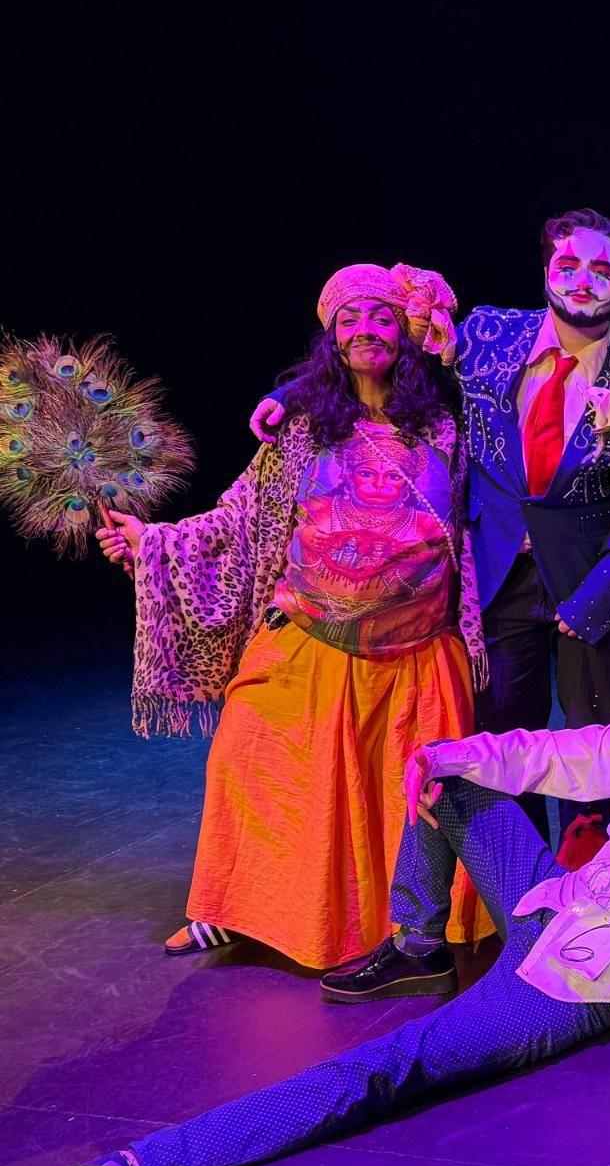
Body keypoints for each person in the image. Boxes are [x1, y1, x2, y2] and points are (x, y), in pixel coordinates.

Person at [3, 616, 610, 1166]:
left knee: (377, 1069)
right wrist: (443, 753)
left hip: (565, 990)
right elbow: (557, 752)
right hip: (549, 904)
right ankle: (417, 942)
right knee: (448, 779)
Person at [307, 210, 610, 999]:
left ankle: (595, 925)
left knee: (595, 752)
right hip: (496, 581)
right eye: (570, 264)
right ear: (547, 269)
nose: (584, 279)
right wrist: (285, 398)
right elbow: (368, 342)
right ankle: (501, 920)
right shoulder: (484, 335)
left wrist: (589, 602)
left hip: (591, 592)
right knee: (496, 752)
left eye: (603, 268)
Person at [98, 263, 487, 968]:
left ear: (406, 331)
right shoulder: (304, 430)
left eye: (381, 316)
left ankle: (404, 923)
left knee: (409, 799)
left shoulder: (448, 423)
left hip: (417, 655)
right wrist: (149, 542)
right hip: (310, 642)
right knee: (243, 760)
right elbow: (241, 516)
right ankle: (228, 910)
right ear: (332, 338)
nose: (366, 329)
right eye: (350, 320)